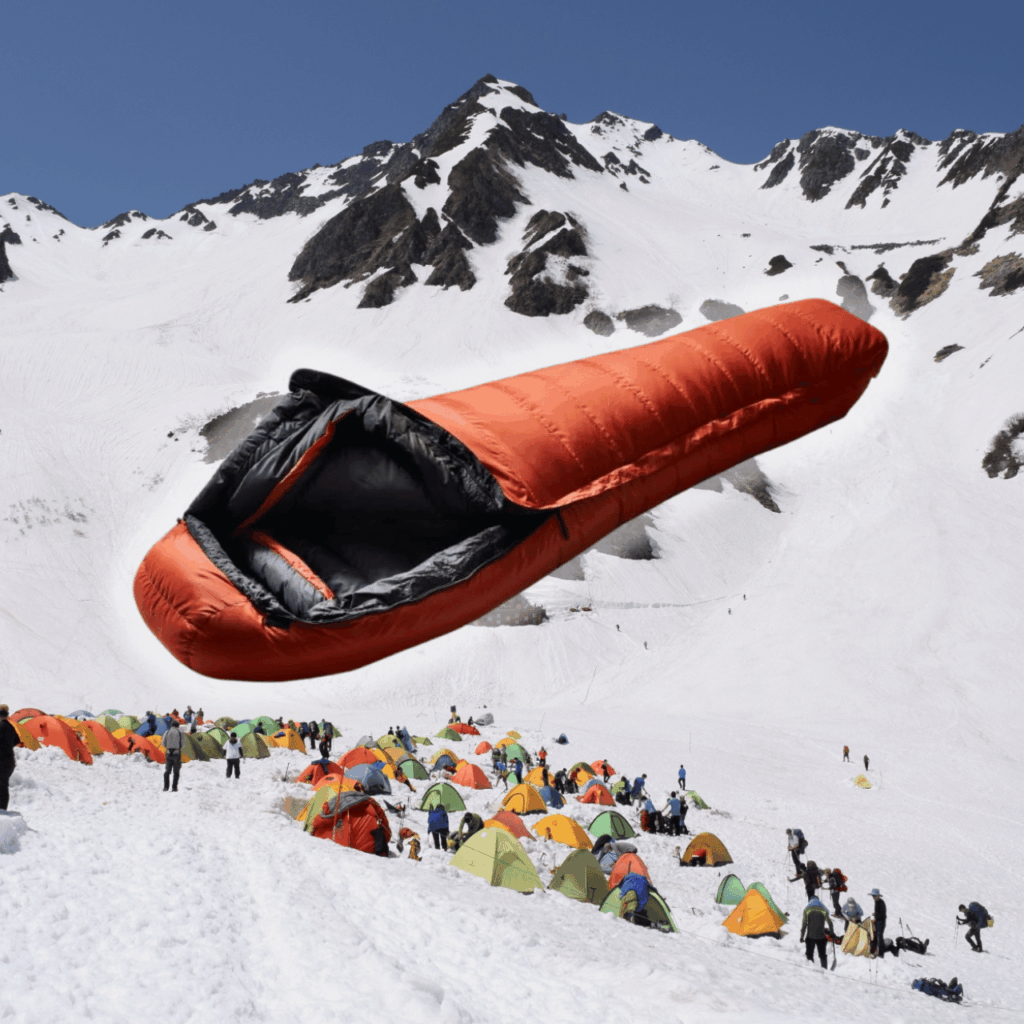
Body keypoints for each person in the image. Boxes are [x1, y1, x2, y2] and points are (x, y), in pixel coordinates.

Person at [800, 896, 836, 968]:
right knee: (822, 955)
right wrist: (832, 932)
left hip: (810, 937)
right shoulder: (823, 909)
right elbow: (830, 922)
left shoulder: (807, 910)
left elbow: (804, 924)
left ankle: (812, 971)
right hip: (821, 936)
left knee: (809, 954)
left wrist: (802, 936)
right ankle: (825, 969)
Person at [0, 705, 21, 813]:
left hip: (2, 761)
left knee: (2, 786)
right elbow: (17, 740)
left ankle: (2, 811)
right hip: (9, 761)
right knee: (3, 786)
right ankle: (2, 809)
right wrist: (7, 746)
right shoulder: (10, 726)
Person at [163, 718, 184, 792]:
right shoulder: (180, 732)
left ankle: (166, 787)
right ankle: (174, 787)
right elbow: (182, 744)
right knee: (176, 772)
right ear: (177, 725)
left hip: (168, 753)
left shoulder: (167, 732)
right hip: (176, 754)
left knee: (167, 771)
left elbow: (163, 743)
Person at [869, 888, 887, 957]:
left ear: (878, 896)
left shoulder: (881, 903)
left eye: (874, 896)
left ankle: (881, 953)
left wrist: (875, 915)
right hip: (878, 920)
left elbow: (882, 914)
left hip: (881, 922)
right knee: (875, 935)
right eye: (873, 896)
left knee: (879, 936)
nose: (873, 898)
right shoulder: (876, 902)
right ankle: (875, 950)